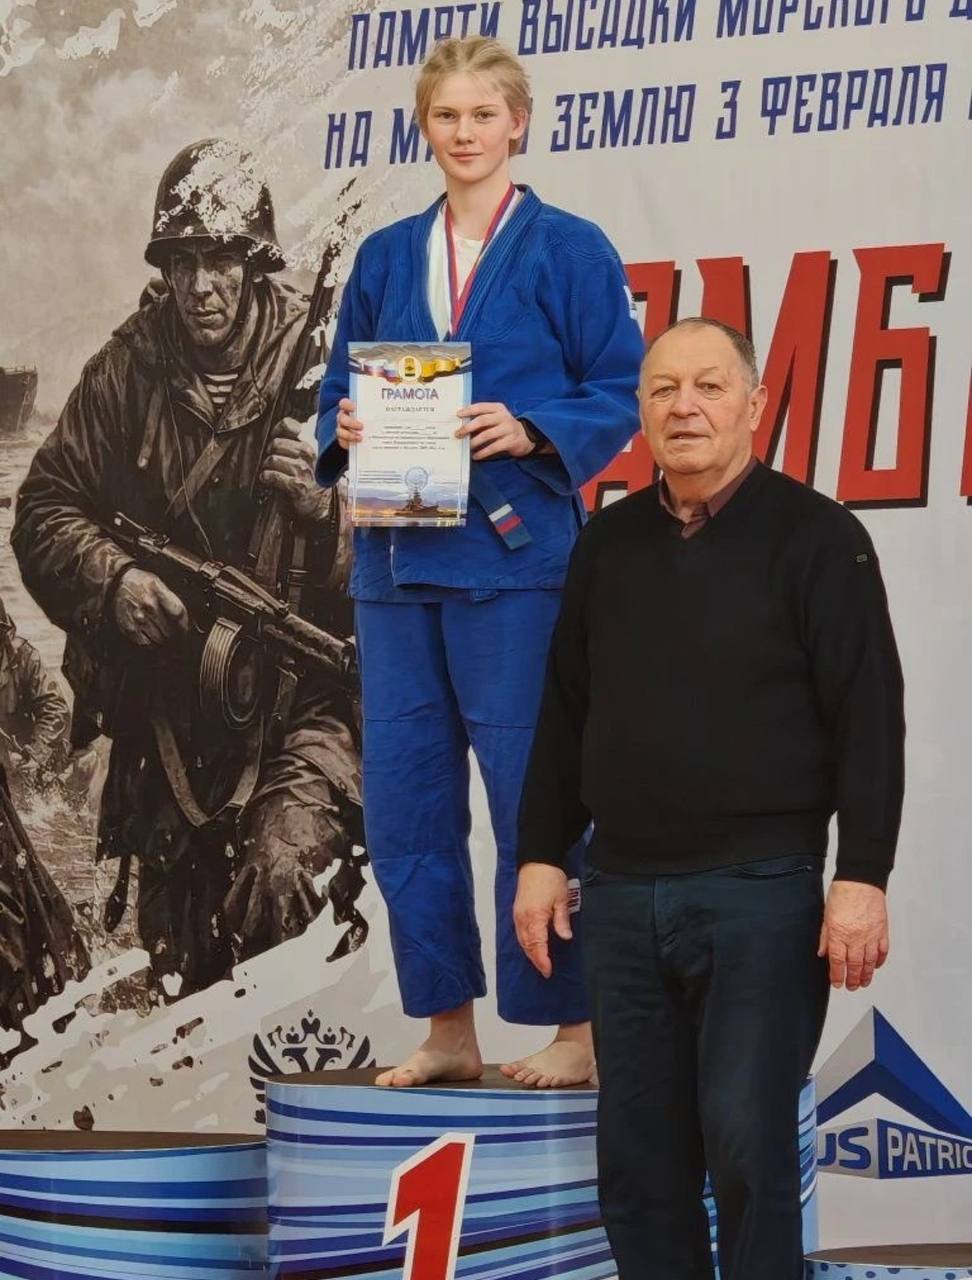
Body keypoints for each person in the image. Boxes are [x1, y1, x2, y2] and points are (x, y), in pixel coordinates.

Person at [514, 317, 905, 1277]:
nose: (684, 407)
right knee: (638, 1169)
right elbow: (564, 711)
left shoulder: (822, 538)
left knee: (745, 1147)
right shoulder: (607, 543)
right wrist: (540, 854)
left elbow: (869, 720)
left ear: (755, 405)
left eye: (709, 386)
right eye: (662, 390)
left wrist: (862, 877)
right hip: (620, 896)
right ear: (641, 412)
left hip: (759, 894)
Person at [316, 36, 643, 1087]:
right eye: (446, 116)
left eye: (483, 114)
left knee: (533, 797)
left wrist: (534, 427)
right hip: (396, 565)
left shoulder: (569, 249)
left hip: (513, 564)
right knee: (407, 806)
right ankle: (448, 1028)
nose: (465, 133)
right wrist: (346, 430)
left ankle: (574, 1028)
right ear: (426, 127)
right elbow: (336, 393)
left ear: (518, 123)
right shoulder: (383, 256)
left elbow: (620, 386)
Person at [13, 139, 365, 996]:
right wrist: (112, 581)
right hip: (174, 722)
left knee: (285, 881)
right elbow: (43, 510)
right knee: (184, 967)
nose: (201, 286)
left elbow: (440, 533)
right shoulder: (125, 370)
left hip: (309, 707)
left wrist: (332, 510)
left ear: (253, 261)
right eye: (182, 263)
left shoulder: (346, 349)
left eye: (220, 261)